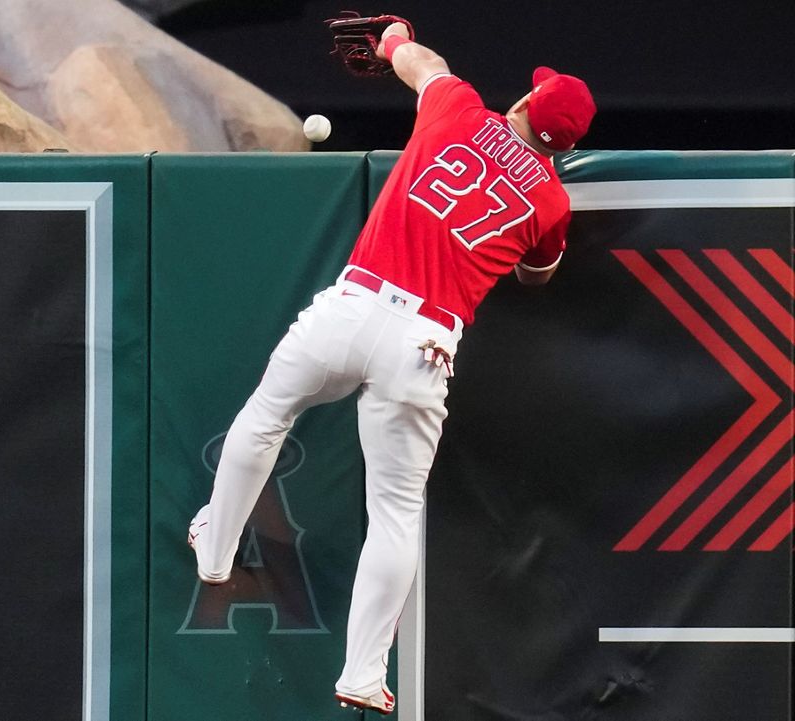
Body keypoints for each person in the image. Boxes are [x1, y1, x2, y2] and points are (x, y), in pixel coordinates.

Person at [187, 18, 595, 715]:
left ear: (527, 106)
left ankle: (218, 550)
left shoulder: (460, 106)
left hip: (355, 303)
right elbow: (538, 276)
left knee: (267, 415)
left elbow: (424, 60)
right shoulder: (552, 201)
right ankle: (364, 674)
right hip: (426, 342)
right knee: (397, 513)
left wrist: (394, 37)